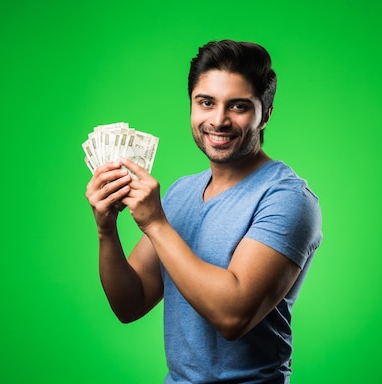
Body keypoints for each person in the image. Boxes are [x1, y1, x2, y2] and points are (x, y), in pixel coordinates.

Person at [86, 39, 323, 384]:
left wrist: (155, 223)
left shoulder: (287, 198)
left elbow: (233, 316)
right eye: (206, 103)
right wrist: (106, 229)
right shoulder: (182, 192)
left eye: (239, 106)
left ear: (265, 114)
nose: (218, 120)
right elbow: (129, 303)